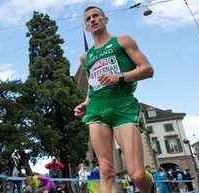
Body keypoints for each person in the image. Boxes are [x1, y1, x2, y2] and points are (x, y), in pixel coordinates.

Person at [74, 5, 154, 193]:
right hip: (97, 109)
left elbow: (148, 69)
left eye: (96, 16)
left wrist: (119, 77)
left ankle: (150, 189)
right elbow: (92, 85)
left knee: (136, 174)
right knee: (106, 170)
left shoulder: (123, 41)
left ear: (105, 20)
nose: (92, 20)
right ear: (86, 27)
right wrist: (86, 103)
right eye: (88, 19)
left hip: (122, 104)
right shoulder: (86, 57)